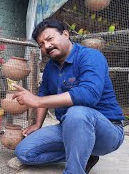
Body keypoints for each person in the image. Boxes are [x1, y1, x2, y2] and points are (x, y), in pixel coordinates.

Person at [11, 19, 125, 174]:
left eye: (49, 39)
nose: (46, 46)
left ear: (65, 34)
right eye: (41, 44)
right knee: (24, 152)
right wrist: (37, 124)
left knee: (77, 112)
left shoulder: (90, 56)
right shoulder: (51, 67)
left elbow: (88, 95)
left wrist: (36, 101)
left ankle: (74, 170)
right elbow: (44, 92)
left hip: (107, 131)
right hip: (69, 127)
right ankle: (84, 154)